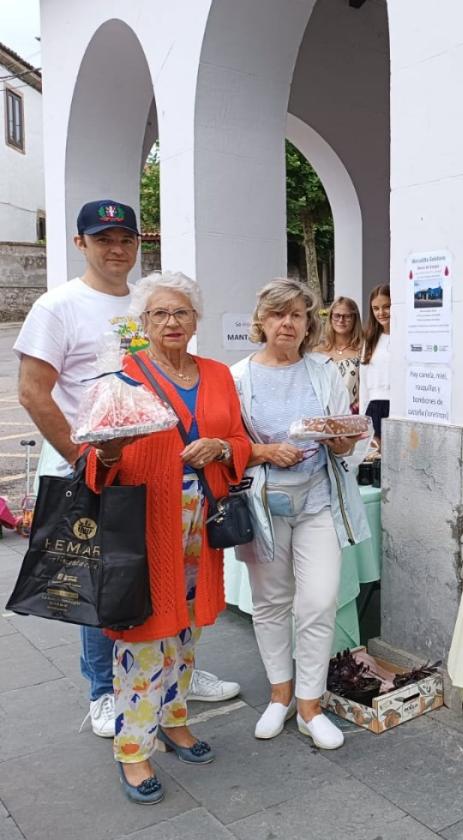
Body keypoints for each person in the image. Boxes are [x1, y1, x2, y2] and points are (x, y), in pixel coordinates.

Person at [14, 199, 240, 741]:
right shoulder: (59, 305)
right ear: (80, 244)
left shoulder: (148, 301)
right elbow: (32, 392)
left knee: (159, 577)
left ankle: (172, 674)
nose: (115, 249)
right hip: (93, 461)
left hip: (160, 468)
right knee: (107, 577)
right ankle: (102, 691)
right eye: (102, 239)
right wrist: (87, 458)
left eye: (125, 239)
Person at [82, 271, 251, 804]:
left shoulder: (220, 375)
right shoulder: (121, 379)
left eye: (181, 312)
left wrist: (221, 448)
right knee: (144, 639)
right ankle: (134, 750)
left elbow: (241, 438)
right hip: (146, 526)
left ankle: (175, 722)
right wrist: (107, 455)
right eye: (159, 314)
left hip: (202, 523)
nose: (171, 322)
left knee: (186, 634)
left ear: (196, 320)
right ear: (143, 323)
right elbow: (94, 462)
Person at [231, 278, 370, 751]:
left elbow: (345, 430)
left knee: (318, 599)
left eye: (296, 314)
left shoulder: (323, 370)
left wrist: (344, 441)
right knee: (270, 603)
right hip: (265, 503)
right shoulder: (238, 377)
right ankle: (280, 694)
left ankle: (311, 704)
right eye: (277, 314)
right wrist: (265, 451)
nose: (286, 323)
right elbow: (229, 446)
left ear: (309, 322)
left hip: (318, 502)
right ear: (261, 321)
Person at [314, 296, 364, 412]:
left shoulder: (364, 350)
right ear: (330, 317)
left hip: (353, 416)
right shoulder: (318, 350)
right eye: (337, 315)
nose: (341, 320)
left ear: (355, 318)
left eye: (347, 316)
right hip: (321, 415)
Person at [358, 284, 391, 443]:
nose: (381, 312)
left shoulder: (406, 338)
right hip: (374, 408)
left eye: (386, 307)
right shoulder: (370, 340)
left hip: (398, 408)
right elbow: (364, 382)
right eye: (376, 308)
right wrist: (362, 419)